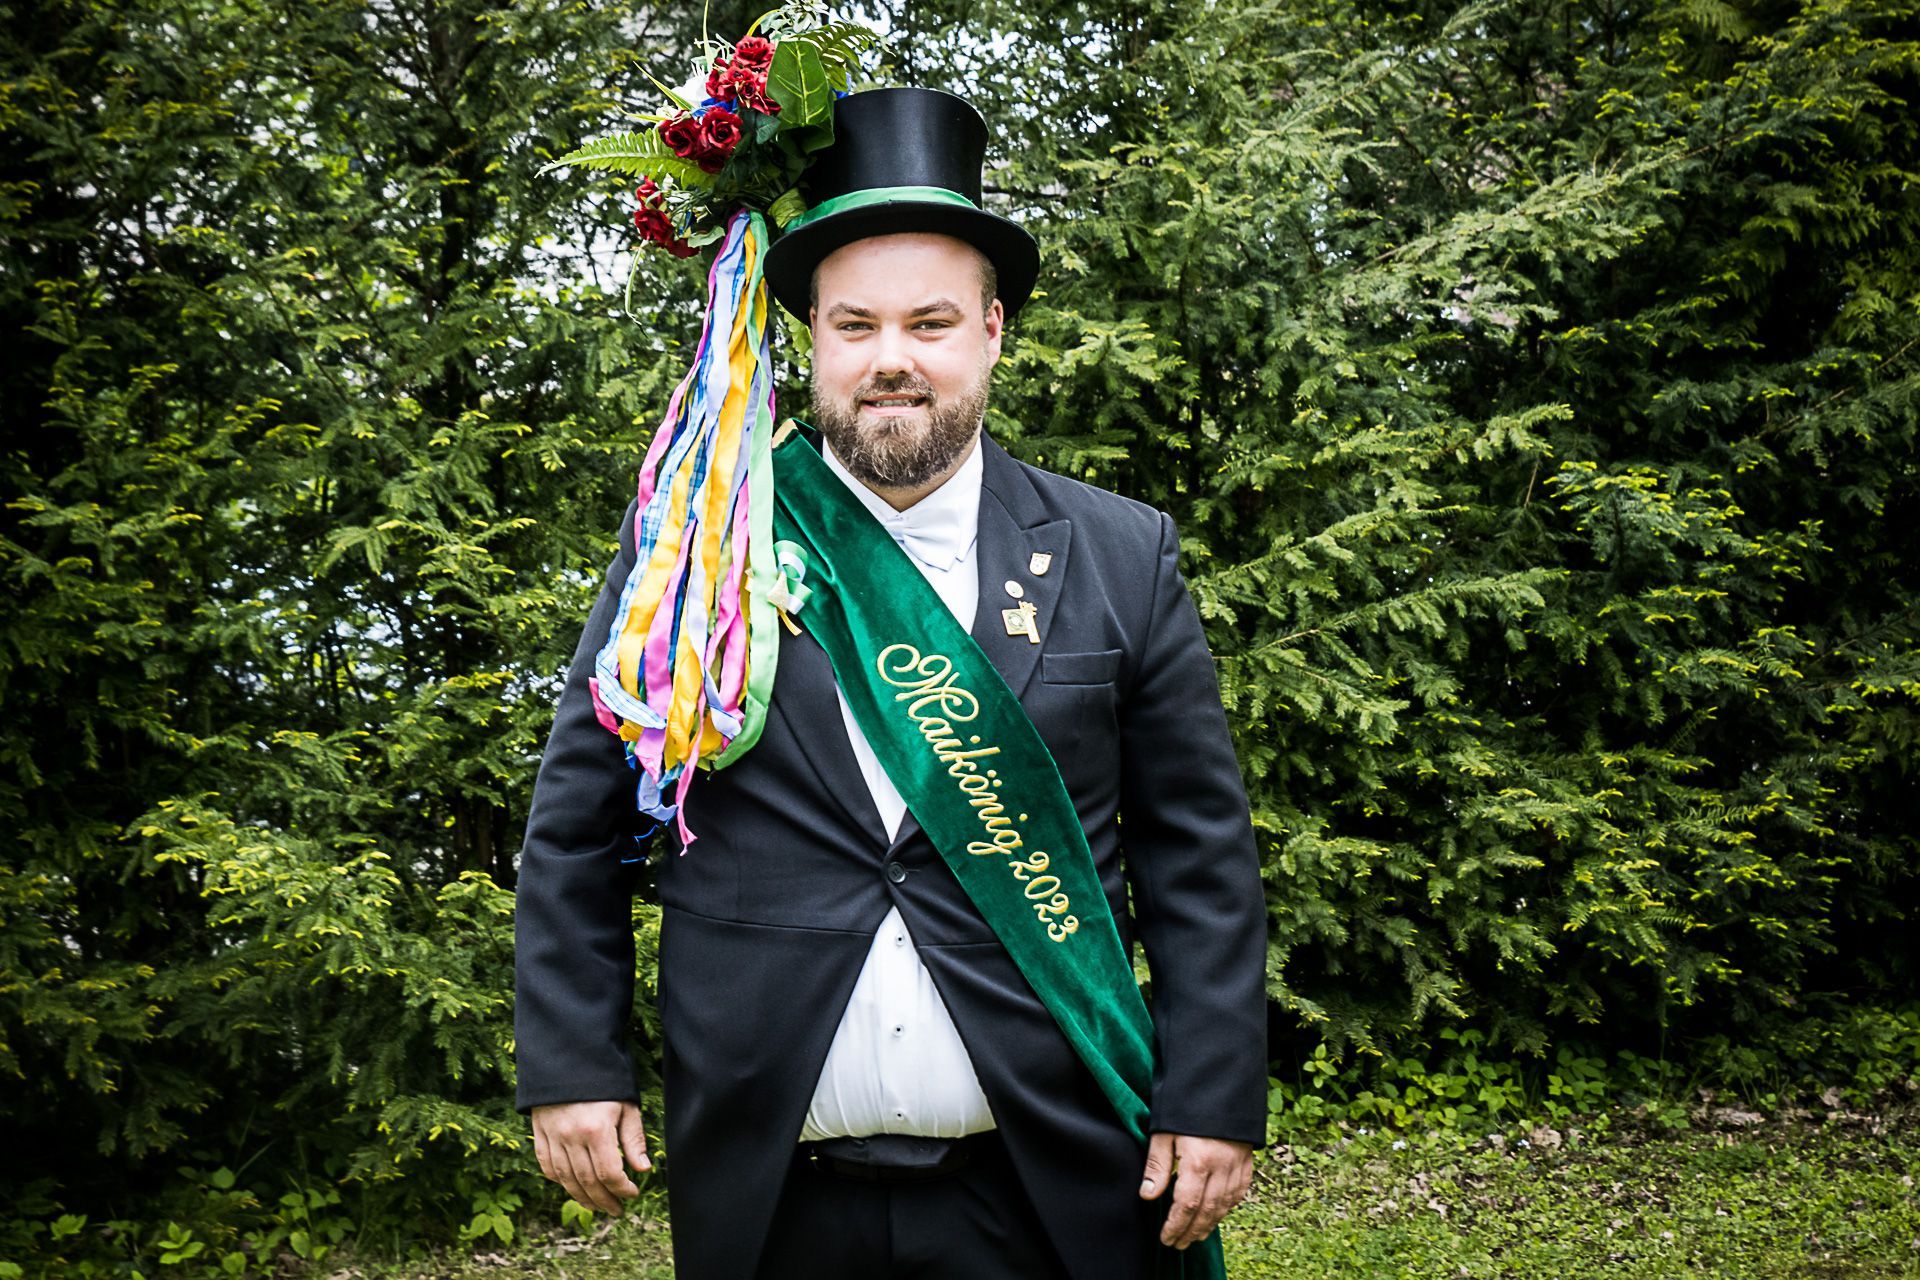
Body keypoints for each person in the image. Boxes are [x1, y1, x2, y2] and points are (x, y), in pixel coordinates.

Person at [513, 87, 1268, 1280]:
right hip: (772, 1193)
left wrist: (1213, 1090)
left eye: (931, 321)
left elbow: (1198, 851)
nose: (892, 360)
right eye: (855, 324)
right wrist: (572, 1061)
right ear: (809, 334)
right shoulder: (698, 544)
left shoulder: (1122, 553)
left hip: (1056, 1183)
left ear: (993, 331)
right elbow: (578, 822)